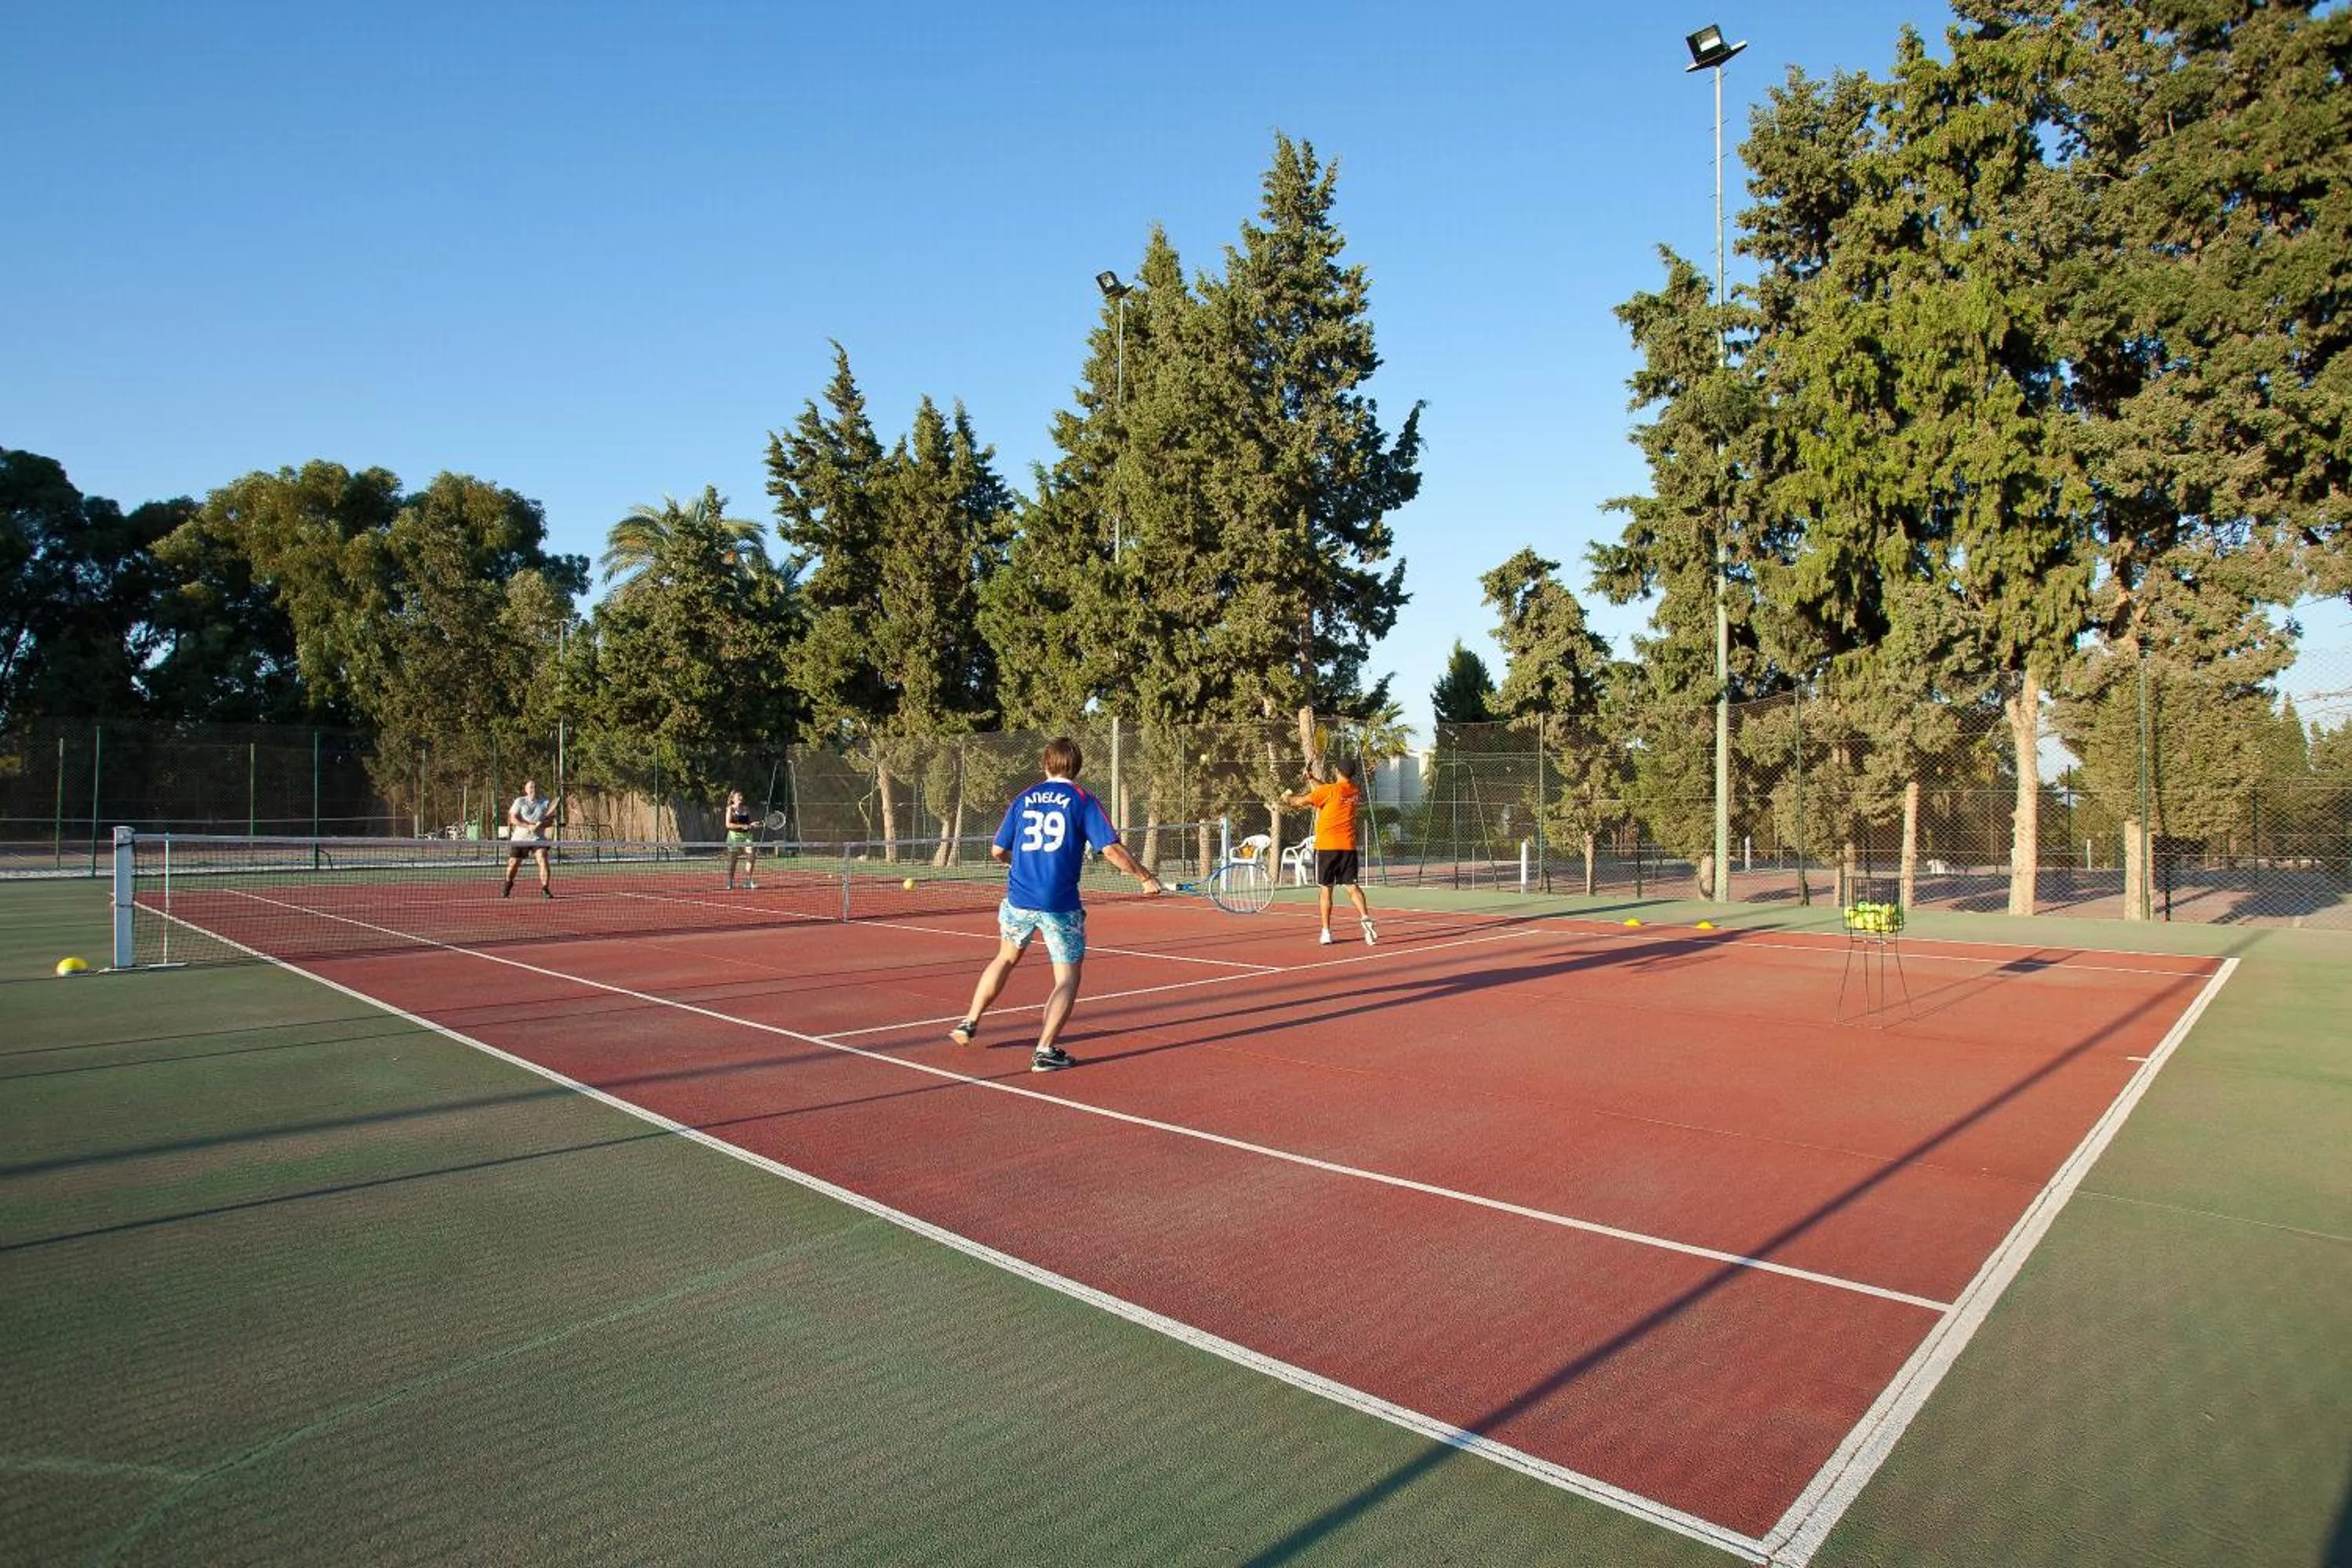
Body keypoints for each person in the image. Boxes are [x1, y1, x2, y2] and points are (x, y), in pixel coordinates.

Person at [950, 736, 1161, 1072]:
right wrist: (1145, 877)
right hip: (1059, 904)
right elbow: (1111, 850)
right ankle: (1045, 1050)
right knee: (1067, 979)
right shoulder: (1082, 799)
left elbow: (997, 850)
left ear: (1045, 764)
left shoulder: (1023, 798)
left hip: (1018, 898)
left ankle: (968, 1022)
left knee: (1005, 957)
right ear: (1076, 767)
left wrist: (1020, 865)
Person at [1284, 757, 1376, 946]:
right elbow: (1328, 790)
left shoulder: (1329, 791)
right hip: (1348, 848)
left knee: (1326, 889)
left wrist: (1287, 798)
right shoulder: (1353, 791)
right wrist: (1310, 778)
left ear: (1337, 772)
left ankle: (1326, 932)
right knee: (1352, 887)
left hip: (1327, 848)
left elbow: (1301, 801)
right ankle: (1365, 917)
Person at [500, 779, 556, 898]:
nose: (533, 789)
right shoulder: (520, 801)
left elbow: (550, 821)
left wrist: (540, 825)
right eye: (530, 787)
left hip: (538, 838)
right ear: (526, 790)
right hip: (520, 838)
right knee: (514, 864)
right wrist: (528, 826)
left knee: (542, 857)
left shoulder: (545, 802)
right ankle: (508, 883)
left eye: (535, 787)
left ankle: (545, 888)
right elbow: (512, 819)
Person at [723, 790, 758, 889]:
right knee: (733, 860)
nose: (740, 797)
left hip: (747, 836)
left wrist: (752, 825)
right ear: (733, 798)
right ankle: (730, 880)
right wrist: (743, 826)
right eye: (738, 796)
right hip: (734, 837)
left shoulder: (746, 809)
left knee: (751, 856)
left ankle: (748, 880)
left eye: (741, 796)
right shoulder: (730, 809)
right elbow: (728, 824)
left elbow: (749, 823)